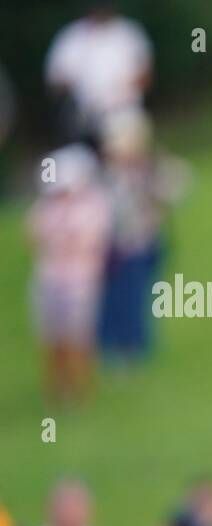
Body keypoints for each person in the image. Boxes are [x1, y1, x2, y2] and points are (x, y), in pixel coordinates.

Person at [97, 108, 188, 364]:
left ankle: (136, 346)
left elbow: (179, 190)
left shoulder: (151, 170)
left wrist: (155, 173)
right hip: (115, 248)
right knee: (116, 299)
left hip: (144, 245)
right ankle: (115, 346)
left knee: (137, 298)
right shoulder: (108, 176)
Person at [27, 144, 112, 404]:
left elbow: (90, 241)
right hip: (49, 279)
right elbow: (34, 237)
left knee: (79, 337)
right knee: (52, 338)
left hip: (80, 282)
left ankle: (81, 390)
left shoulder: (94, 205)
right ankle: (57, 387)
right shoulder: (45, 208)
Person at [44, 4, 152, 148]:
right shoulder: (71, 38)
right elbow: (54, 82)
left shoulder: (128, 33)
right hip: (83, 116)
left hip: (122, 112)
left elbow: (145, 75)